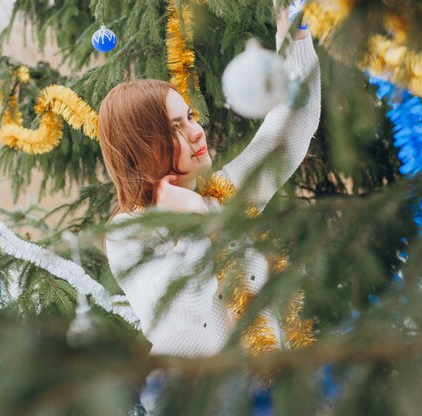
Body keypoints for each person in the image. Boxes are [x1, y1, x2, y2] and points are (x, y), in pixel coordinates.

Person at [98, 4, 320, 413]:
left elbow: (287, 131)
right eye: (176, 127)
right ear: (143, 146)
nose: (197, 130)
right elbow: (184, 321)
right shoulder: (130, 231)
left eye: (190, 116)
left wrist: (294, 33)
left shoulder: (219, 196)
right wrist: (198, 222)